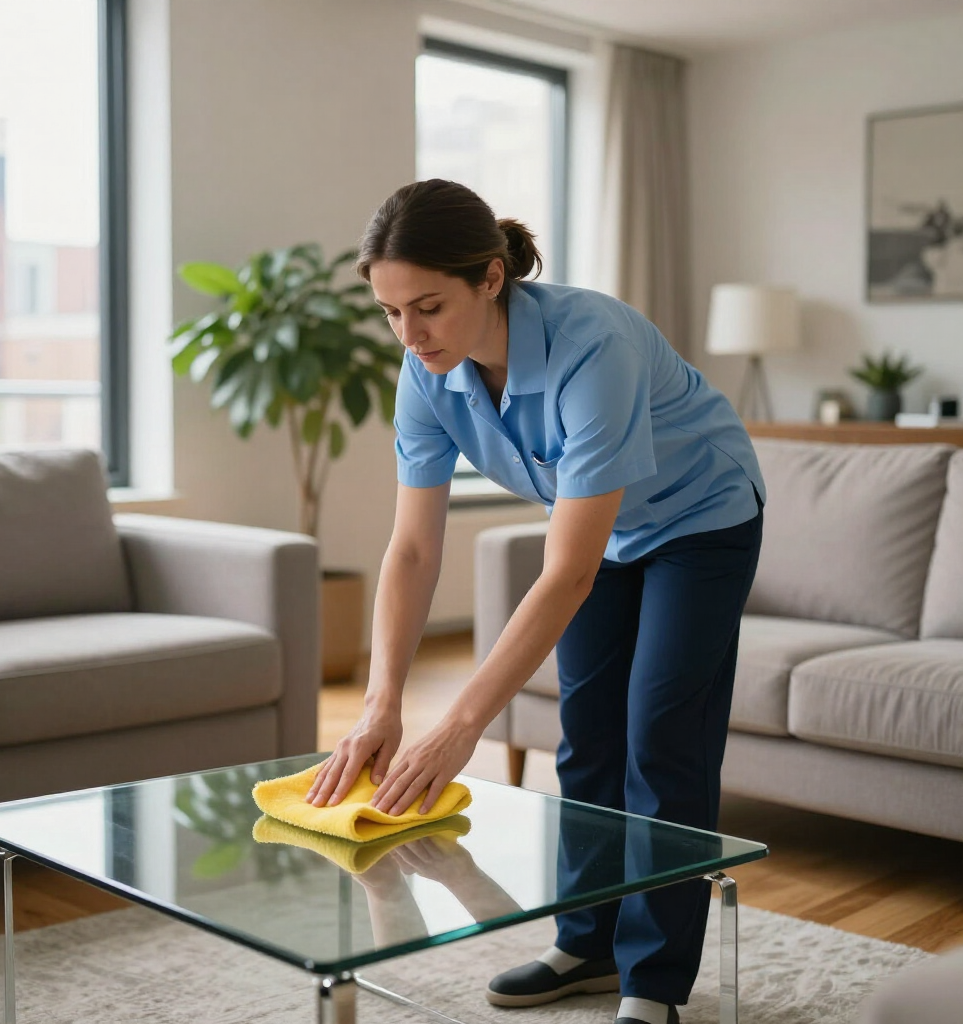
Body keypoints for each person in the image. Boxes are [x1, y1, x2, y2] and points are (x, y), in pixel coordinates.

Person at [306, 178, 765, 1024]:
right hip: (606, 534)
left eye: (429, 307)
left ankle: (654, 985)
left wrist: (459, 722)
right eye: (390, 312)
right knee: (584, 733)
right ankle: (586, 943)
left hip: (700, 522)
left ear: (490, 277)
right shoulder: (428, 374)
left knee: (661, 733)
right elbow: (412, 547)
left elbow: (567, 573)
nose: (410, 335)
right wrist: (383, 701)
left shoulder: (596, 345)